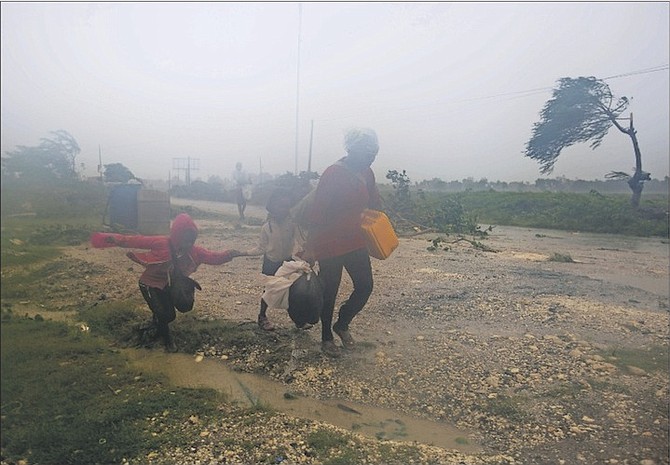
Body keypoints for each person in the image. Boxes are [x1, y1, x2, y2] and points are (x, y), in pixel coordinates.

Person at [90, 213, 247, 352]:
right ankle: (167, 340)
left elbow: (214, 257)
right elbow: (136, 241)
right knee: (167, 315)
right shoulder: (161, 243)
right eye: (185, 241)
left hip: (171, 285)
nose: (187, 245)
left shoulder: (195, 251)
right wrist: (112, 239)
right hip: (150, 284)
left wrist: (231, 254)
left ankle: (154, 323)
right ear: (177, 236)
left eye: (191, 241)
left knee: (184, 306)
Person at [301, 127, 382, 357]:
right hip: (329, 242)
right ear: (352, 149)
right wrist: (309, 246)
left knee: (365, 286)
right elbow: (317, 213)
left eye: (374, 153)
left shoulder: (367, 172)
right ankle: (326, 337)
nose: (371, 157)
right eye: (367, 153)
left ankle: (342, 323)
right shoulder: (333, 173)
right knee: (330, 291)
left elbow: (373, 201)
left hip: (356, 241)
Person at [244, 187, 301, 331]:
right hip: (271, 263)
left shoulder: (293, 224)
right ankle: (262, 316)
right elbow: (260, 248)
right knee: (269, 291)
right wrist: (242, 253)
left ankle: (298, 319)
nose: (284, 209)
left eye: (287, 206)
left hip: (287, 263)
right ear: (272, 208)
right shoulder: (266, 228)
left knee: (290, 290)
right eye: (281, 206)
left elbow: (299, 240)